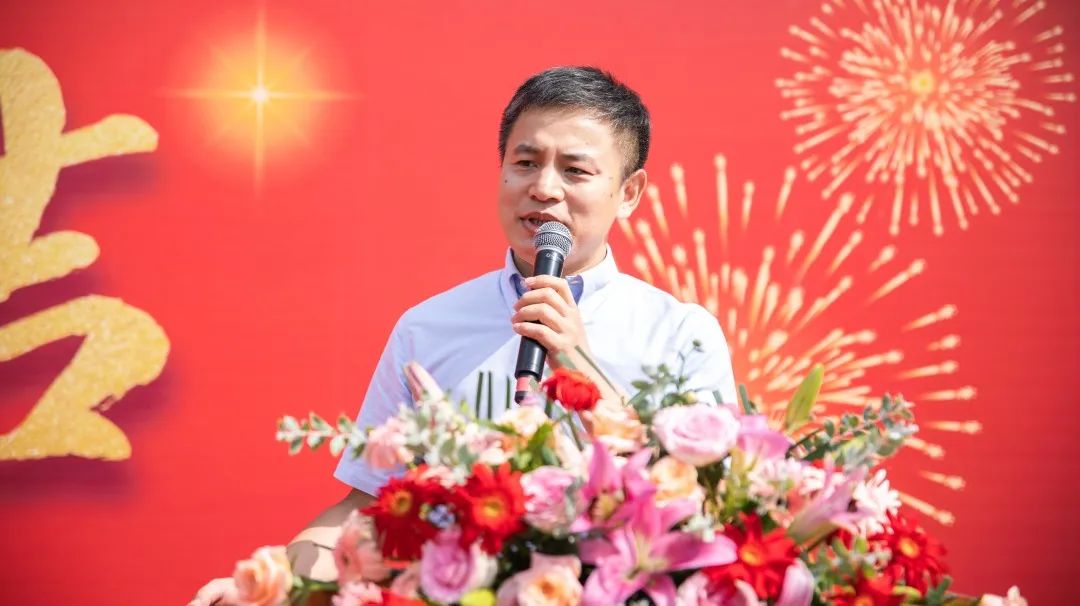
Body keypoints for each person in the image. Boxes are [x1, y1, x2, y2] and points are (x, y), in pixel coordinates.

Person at [190, 65, 737, 605]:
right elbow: (368, 507)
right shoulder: (428, 328)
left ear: (629, 192)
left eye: (575, 170)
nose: (544, 188)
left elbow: (713, 510)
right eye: (525, 163)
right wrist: (270, 585)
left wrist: (578, 363)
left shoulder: (680, 334)